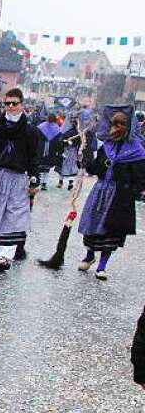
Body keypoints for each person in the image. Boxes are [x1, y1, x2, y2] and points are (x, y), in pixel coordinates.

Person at [76, 104, 145, 281]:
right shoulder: (106, 147)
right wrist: (85, 158)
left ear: (129, 126)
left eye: (122, 123)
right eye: (115, 123)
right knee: (91, 226)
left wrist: (133, 191)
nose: (117, 127)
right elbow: (96, 169)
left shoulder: (137, 151)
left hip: (119, 196)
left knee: (112, 231)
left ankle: (102, 266)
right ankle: (89, 256)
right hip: (100, 192)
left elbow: (140, 177)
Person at [0, 87, 41, 272]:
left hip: (19, 177)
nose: (11, 107)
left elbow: (34, 157)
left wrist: (34, 179)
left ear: (22, 105)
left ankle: (4, 255)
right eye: (7, 103)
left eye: (15, 103)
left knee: (14, 215)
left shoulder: (30, 131)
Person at [36, 113, 62, 191]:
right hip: (51, 150)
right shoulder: (57, 128)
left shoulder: (41, 127)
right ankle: (44, 184)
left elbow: (36, 137)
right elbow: (58, 142)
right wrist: (58, 150)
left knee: (39, 166)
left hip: (40, 149)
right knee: (46, 168)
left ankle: (38, 181)